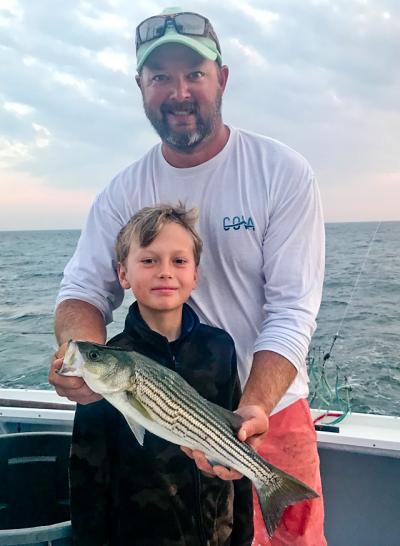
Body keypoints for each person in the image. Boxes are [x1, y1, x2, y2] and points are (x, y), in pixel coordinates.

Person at [49, 7, 326, 545]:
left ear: (222, 78)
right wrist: (80, 356)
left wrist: (253, 409)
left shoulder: (281, 172)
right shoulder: (121, 191)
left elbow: (292, 309)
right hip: (160, 422)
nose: (178, 91)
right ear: (140, 87)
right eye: (160, 78)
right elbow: (83, 290)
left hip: (269, 410)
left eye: (194, 74)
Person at [69, 203, 254, 545]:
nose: (165, 272)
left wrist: (243, 537)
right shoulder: (107, 364)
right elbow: (88, 473)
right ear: (123, 274)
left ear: (195, 275)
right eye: (149, 260)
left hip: (218, 536)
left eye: (179, 261)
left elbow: (235, 443)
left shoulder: (220, 348)